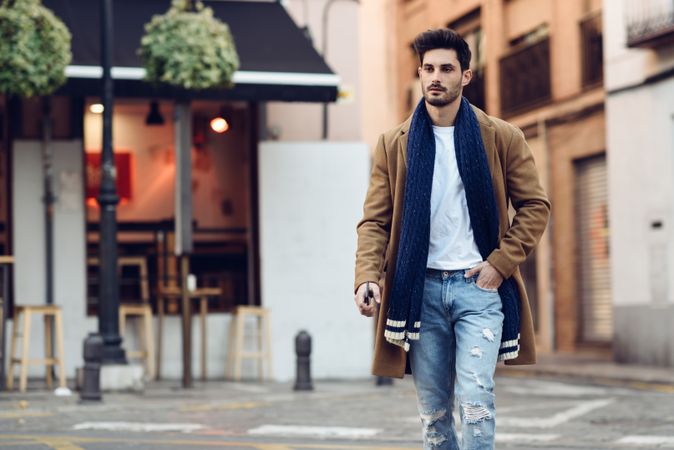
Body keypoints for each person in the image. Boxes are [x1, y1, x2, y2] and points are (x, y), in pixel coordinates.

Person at [353, 28, 551, 449]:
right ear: (420, 74)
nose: (435, 77)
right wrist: (367, 275)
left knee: (476, 399)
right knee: (434, 415)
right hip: (420, 289)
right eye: (428, 69)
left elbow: (535, 207)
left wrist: (500, 264)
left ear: (466, 75)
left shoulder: (502, 136)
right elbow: (375, 221)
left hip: (479, 287)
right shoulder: (394, 143)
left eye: (446, 68)